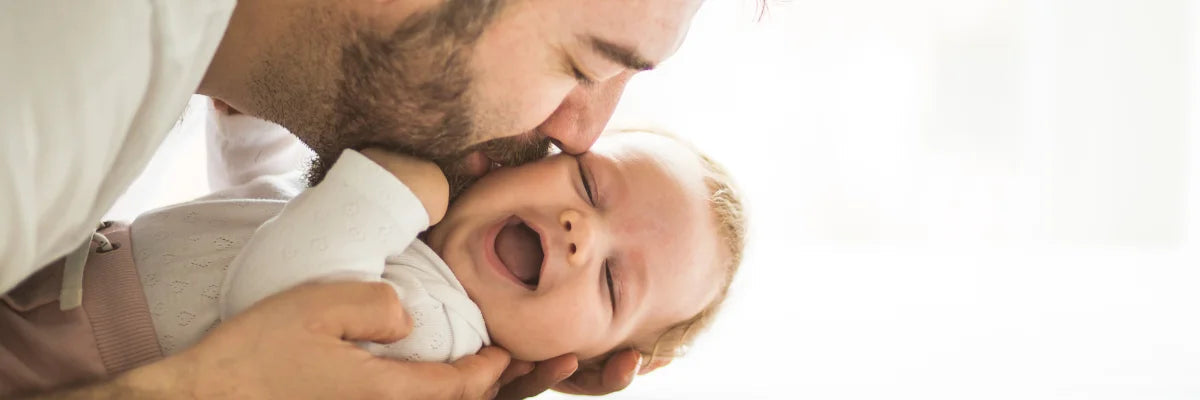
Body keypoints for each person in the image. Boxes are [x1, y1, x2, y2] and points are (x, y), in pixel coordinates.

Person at [0, 0, 707, 398]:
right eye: (585, 63)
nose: (578, 135)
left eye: (613, 282)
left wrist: (255, 107)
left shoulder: (430, 336)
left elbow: (267, 216)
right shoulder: (44, 101)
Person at [0, 128, 746, 398]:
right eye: (588, 184)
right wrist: (252, 123)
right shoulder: (401, 240)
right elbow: (255, 212)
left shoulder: (433, 339)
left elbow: (277, 301)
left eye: (614, 281)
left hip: (53, 366)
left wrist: (394, 187)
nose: (584, 234)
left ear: (579, 361)